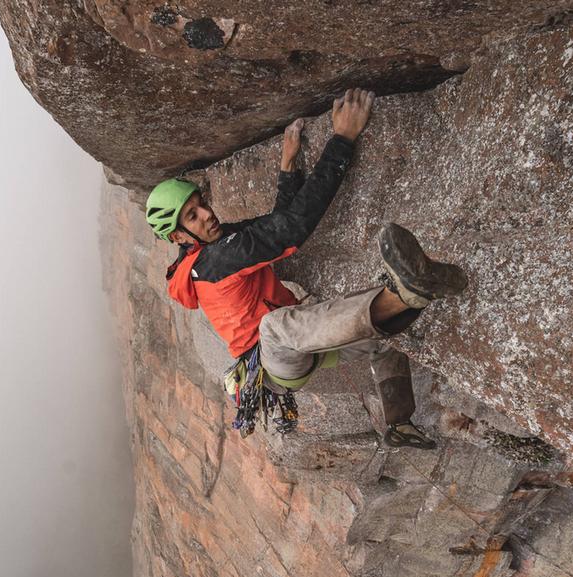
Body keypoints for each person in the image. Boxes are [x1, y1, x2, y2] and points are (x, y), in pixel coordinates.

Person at [146, 88, 466, 448]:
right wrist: (342, 140)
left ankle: (398, 422)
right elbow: (294, 230)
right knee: (276, 325)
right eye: (193, 216)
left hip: (303, 351)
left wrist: (288, 168)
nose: (207, 214)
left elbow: (277, 225)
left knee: (381, 339)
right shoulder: (215, 261)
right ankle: (408, 294)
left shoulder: (215, 247)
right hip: (276, 359)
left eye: (201, 204)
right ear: (177, 237)